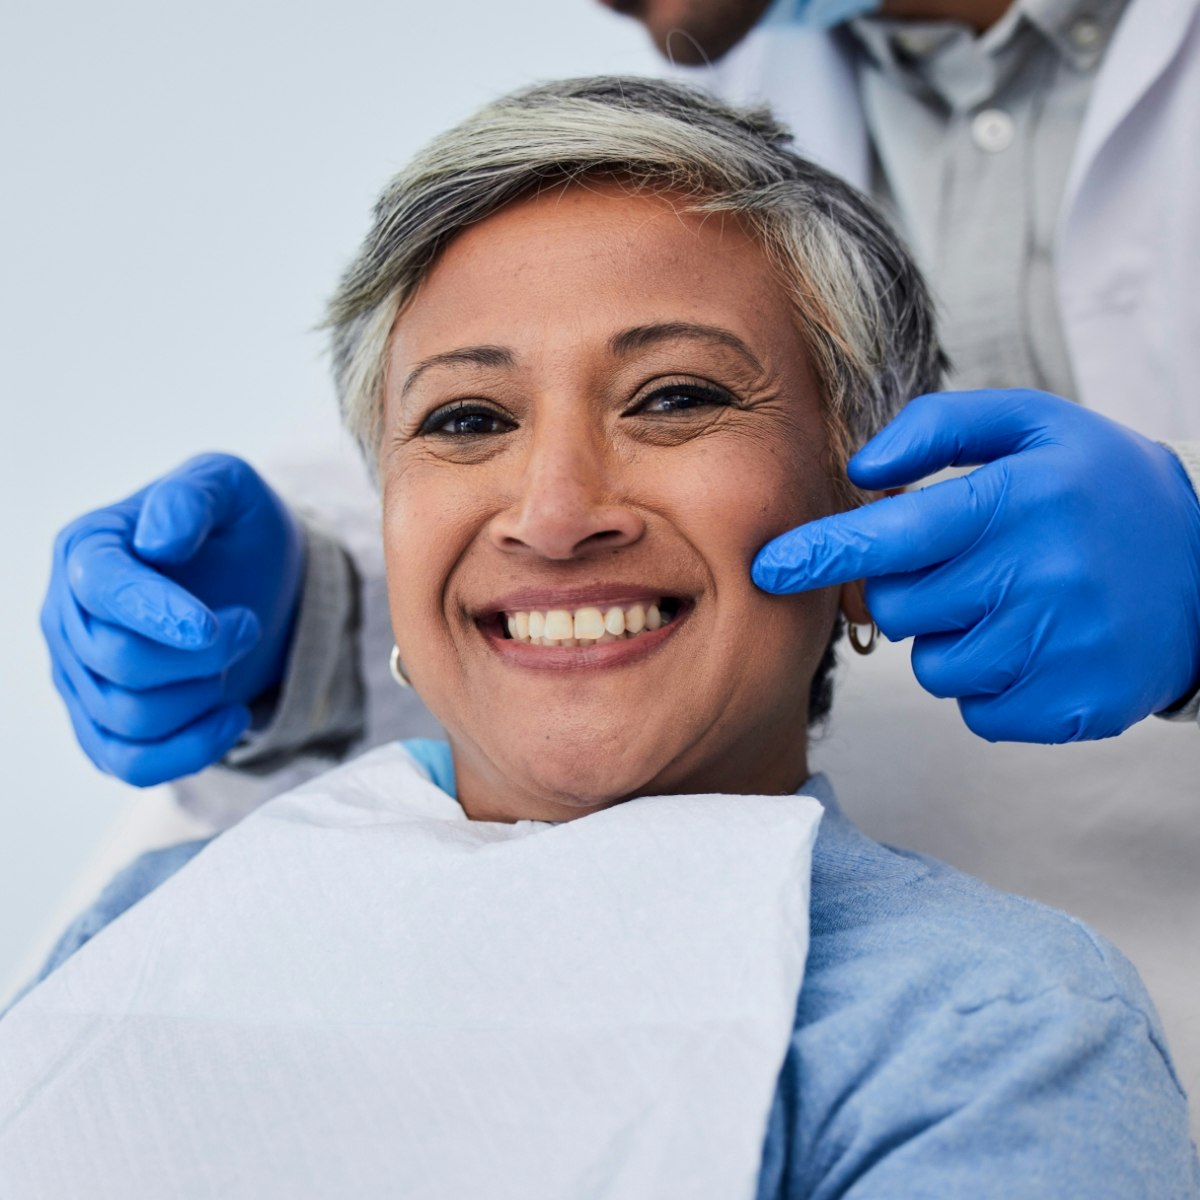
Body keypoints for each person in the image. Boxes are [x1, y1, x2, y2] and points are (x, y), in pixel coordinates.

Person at [7, 79, 1197, 1197]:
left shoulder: (987, 1030)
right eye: (467, 418)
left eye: (677, 397)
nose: (556, 515)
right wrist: (308, 626)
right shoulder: (155, 924)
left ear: (869, 521)